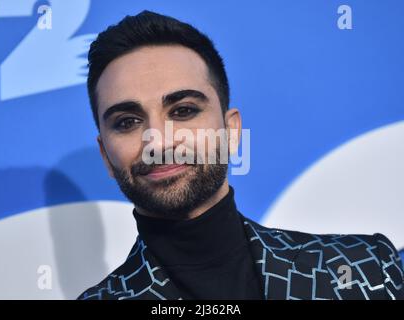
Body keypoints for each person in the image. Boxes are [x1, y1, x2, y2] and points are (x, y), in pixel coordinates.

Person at [77, 10, 404, 300]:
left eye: (184, 110)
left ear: (231, 131)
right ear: (106, 155)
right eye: (128, 122)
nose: (159, 142)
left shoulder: (364, 269)